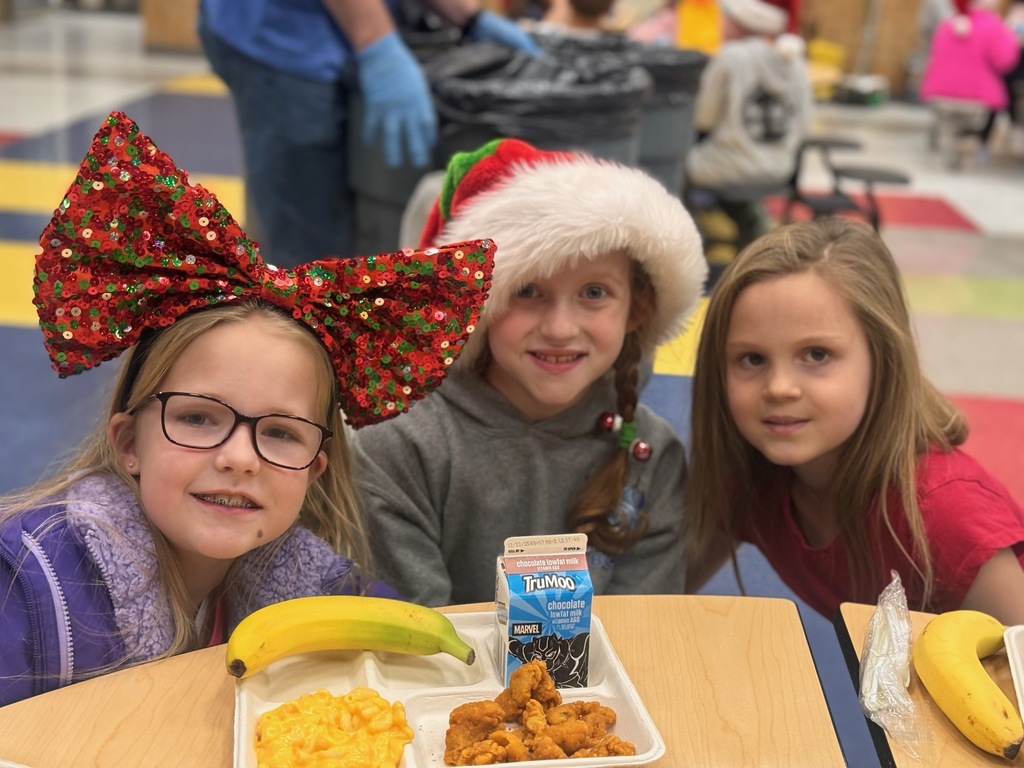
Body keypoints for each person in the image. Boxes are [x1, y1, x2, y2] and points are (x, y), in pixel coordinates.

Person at [0, 112, 495, 707]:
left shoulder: (308, 586)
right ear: (129, 443)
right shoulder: (26, 588)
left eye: (282, 433)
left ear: (316, 469)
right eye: (198, 418)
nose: (239, 459)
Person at [354, 137, 709, 607]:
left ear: (637, 308)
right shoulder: (400, 446)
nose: (560, 328)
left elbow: (641, 638)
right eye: (527, 290)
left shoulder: (653, 456)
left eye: (595, 292)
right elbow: (413, 641)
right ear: (479, 302)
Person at [685, 218, 1024, 626]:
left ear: (883, 359)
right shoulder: (749, 477)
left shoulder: (946, 514)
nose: (778, 388)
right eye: (752, 359)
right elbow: (660, 587)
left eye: (816, 354)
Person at [197, 0, 540, 267]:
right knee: (306, 238)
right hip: (285, 35)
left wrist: (469, 18)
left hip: (352, 27)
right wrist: (376, 44)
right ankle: (302, 334)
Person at [685, 0, 813, 252]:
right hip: (780, 169)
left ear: (738, 22)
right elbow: (805, 125)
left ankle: (690, 240)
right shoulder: (796, 62)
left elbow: (703, 119)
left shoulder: (730, 57)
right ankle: (750, 223)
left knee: (677, 169)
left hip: (729, 167)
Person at [919, 0, 1021, 165]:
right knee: (978, 119)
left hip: (939, 92)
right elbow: (1005, 61)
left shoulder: (947, 24)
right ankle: (968, 146)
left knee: (949, 123)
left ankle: (950, 145)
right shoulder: (993, 26)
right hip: (977, 97)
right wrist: (1011, 34)